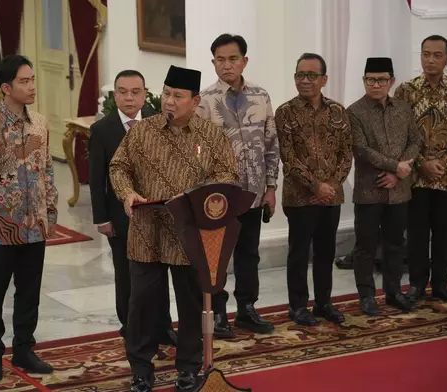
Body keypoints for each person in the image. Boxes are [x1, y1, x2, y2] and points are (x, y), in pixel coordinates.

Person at [110, 65, 238, 392]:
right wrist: (128, 195)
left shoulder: (211, 136)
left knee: (191, 304)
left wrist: (199, 197)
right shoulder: (142, 131)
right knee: (142, 306)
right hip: (147, 231)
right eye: (166, 93)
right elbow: (119, 167)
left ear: (194, 101)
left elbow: (228, 177)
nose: (169, 101)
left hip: (189, 234)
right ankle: (141, 369)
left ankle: (188, 367)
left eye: (177, 96)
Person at [0, 55, 58, 382]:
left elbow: (47, 169)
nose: (32, 86)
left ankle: (24, 350)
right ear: (6, 87)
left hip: (35, 227)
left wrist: (51, 210)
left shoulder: (41, 123)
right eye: (24, 81)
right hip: (0, 229)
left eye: (32, 79)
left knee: (29, 291)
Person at [197, 33, 278, 338]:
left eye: (233, 59)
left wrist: (270, 187)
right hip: (218, 194)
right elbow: (197, 150)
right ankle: (218, 313)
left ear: (244, 60)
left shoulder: (261, 96)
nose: (226, 65)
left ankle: (247, 309)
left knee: (249, 251)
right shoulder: (204, 101)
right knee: (217, 255)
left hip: (253, 192)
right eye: (220, 60)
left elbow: (271, 144)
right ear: (213, 62)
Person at [88, 69, 177, 345]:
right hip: (121, 217)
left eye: (135, 92)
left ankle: (163, 327)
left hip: (158, 215)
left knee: (160, 274)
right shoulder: (102, 130)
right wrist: (101, 218)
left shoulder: (159, 121)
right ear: (115, 96)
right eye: (123, 92)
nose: (129, 98)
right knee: (126, 275)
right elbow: (96, 178)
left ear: (145, 93)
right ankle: (130, 328)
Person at [394, 35, 447, 304]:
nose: (430, 59)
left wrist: (444, 163)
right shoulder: (406, 91)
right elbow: (401, 134)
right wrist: (422, 163)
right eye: (425, 54)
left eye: (437, 55)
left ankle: (442, 284)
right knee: (417, 232)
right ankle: (417, 284)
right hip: (417, 176)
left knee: (446, 232)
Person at [275, 53, 353, 327]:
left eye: (311, 75)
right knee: (299, 253)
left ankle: (323, 302)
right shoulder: (285, 112)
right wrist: (315, 186)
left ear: (324, 80)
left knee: (325, 252)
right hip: (300, 197)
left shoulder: (338, 112)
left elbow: (346, 154)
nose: (304, 80)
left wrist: (331, 186)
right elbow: (289, 157)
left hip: (331, 196)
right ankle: (297, 306)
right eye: (300, 75)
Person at [348, 57, 422, 315]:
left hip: (399, 190)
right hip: (370, 190)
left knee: (395, 243)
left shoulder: (403, 108)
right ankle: (366, 296)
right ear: (364, 81)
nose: (375, 84)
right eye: (370, 79)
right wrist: (395, 167)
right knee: (365, 246)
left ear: (391, 81)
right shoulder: (354, 112)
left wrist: (400, 172)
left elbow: (416, 141)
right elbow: (361, 149)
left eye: (381, 80)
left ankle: (393, 292)